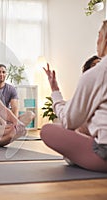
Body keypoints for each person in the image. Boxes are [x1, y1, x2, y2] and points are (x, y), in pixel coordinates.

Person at [41, 20, 107, 172]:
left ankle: (78, 157)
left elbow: (68, 121)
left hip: (103, 155)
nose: (97, 41)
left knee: (47, 130)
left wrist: (55, 90)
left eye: (99, 35)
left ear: (105, 39)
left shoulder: (96, 74)